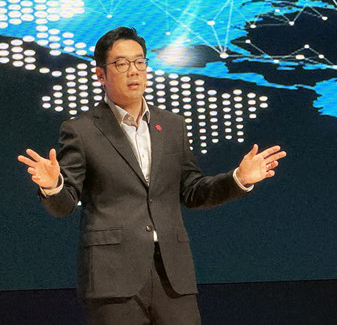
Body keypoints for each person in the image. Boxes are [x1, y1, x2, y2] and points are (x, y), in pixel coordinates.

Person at [18, 27, 286, 325]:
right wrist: (53, 186)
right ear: (100, 74)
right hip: (113, 277)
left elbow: (192, 191)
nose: (133, 71)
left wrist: (239, 179)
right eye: (121, 63)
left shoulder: (172, 125)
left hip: (173, 274)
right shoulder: (81, 130)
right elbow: (65, 204)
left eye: (139, 62)